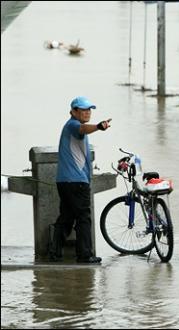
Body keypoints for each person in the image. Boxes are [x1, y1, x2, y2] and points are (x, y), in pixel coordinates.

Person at [48, 96, 111, 263]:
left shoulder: (71, 126)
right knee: (84, 216)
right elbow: (83, 129)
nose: (87, 112)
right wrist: (99, 126)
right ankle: (84, 255)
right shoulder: (73, 125)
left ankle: (54, 252)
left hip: (64, 181)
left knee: (67, 217)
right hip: (76, 182)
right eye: (83, 110)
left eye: (89, 109)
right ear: (74, 111)